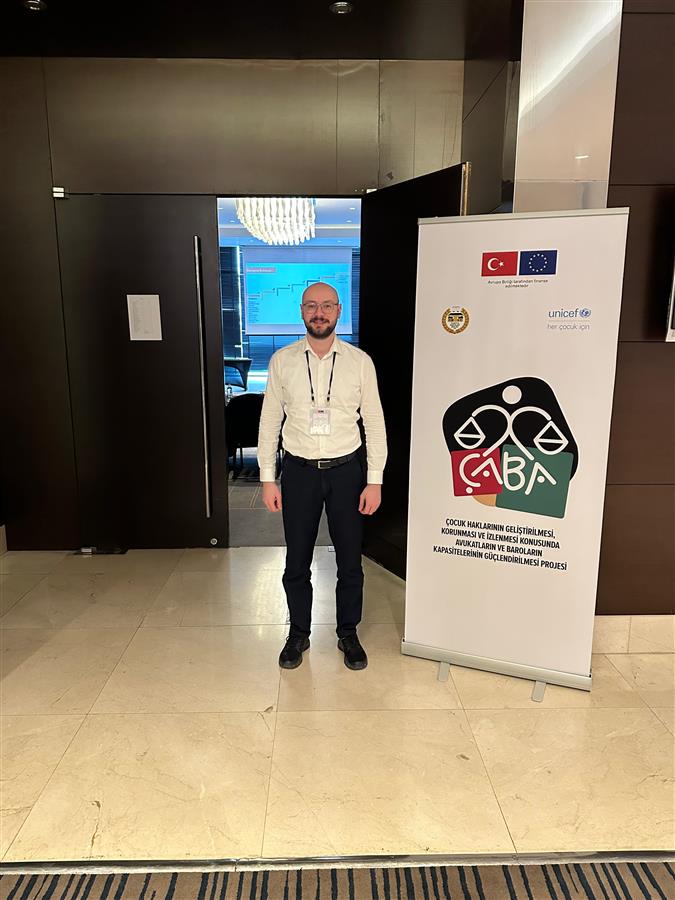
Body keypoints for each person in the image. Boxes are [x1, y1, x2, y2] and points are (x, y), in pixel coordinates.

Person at [257, 281, 387, 671]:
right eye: (312, 305)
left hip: (347, 472)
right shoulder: (282, 361)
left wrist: (375, 480)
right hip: (299, 473)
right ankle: (298, 633)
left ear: (338, 311)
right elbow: (270, 421)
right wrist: (268, 477)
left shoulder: (359, 362)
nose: (320, 313)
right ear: (301, 311)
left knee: (350, 561)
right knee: (296, 560)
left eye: (327, 305)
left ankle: (348, 632)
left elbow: (374, 423)